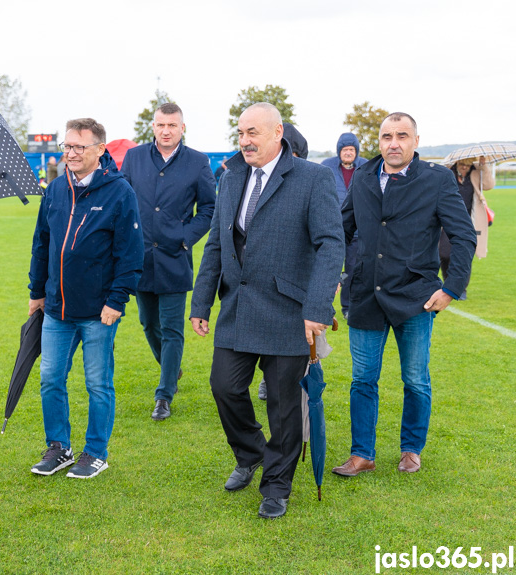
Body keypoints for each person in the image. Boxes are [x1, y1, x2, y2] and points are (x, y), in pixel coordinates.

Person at [190, 103, 344, 519]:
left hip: (289, 312)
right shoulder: (232, 176)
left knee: (283, 406)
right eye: (240, 133)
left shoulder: (313, 178)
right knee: (224, 388)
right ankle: (251, 453)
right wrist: (201, 302)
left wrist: (317, 307)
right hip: (237, 309)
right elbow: (218, 245)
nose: (245, 141)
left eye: (252, 133)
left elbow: (331, 244)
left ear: (278, 133)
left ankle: (277, 485)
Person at [333, 113, 477, 477]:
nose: (393, 143)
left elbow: (463, 236)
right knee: (363, 379)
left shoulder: (437, 179)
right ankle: (361, 454)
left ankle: (411, 449)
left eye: (401, 135)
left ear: (415, 140)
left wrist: (451, 288)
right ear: (378, 141)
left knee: (415, 379)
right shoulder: (364, 176)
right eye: (386, 136)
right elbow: (341, 228)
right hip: (366, 294)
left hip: (416, 297)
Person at [27, 118, 143, 479]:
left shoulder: (120, 193)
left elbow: (130, 254)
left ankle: (96, 452)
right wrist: (36, 292)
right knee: (50, 379)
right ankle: (59, 447)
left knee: (97, 383)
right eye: (67, 146)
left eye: (79, 147)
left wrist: (116, 300)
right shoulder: (57, 189)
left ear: (99, 150)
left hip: (98, 311)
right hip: (56, 309)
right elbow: (41, 243)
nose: (71, 153)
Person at [120, 103, 216, 420]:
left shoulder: (198, 162)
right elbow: (122, 199)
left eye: (172, 125)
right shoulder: (134, 158)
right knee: (149, 323)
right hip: (140, 258)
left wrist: (185, 238)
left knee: (173, 329)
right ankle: (171, 369)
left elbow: (208, 209)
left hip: (175, 258)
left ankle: (164, 396)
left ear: (182, 128)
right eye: (161, 125)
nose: (166, 130)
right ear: (153, 126)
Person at [256, 121, 312, 402]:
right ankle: (269, 379)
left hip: (300, 284)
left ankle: (304, 397)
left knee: (304, 347)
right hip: (263, 281)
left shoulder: (310, 183)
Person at [322, 133, 369, 319]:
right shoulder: (327, 166)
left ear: (356, 151)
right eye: (345, 149)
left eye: (352, 149)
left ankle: (348, 307)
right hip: (331, 228)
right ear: (339, 151)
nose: (348, 153)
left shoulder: (366, 166)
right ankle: (323, 305)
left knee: (352, 270)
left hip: (356, 230)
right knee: (327, 268)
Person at [439, 158, 494, 299]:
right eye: (462, 165)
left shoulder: (476, 173)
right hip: (447, 220)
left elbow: (489, 185)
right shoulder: (447, 173)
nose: (465, 168)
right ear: (457, 163)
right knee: (444, 254)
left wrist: (483, 166)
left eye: (468, 166)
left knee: (465, 254)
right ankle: (448, 282)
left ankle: (461, 288)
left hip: (469, 221)